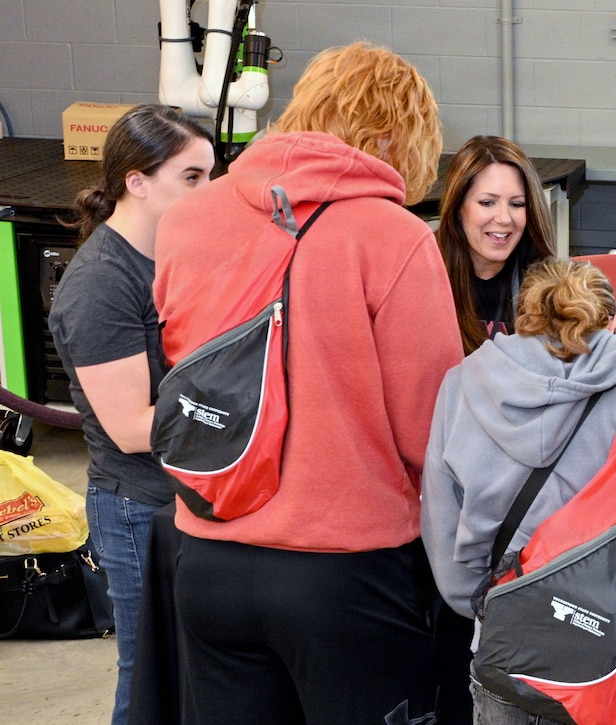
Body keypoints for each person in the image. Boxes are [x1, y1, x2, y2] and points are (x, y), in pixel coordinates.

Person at [153, 42, 463, 723]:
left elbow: (180, 361)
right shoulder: (395, 237)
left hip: (207, 556)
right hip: (346, 573)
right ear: (393, 135)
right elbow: (431, 430)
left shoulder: (186, 219)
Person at [421, 258, 616, 723]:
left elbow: (449, 561)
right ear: (614, 322)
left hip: (511, 653)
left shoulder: (462, 386)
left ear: (523, 318)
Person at [47, 104, 215, 725]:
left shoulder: (175, 255)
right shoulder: (102, 283)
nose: (208, 191)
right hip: (138, 504)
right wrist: (245, 412)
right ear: (136, 181)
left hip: (189, 493)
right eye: (191, 177)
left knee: (193, 672)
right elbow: (131, 426)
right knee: (149, 681)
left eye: (210, 175)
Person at [437, 134, 555, 354]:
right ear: (457, 207)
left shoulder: (548, 286)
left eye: (517, 204)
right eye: (487, 203)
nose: (504, 218)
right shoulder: (423, 276)